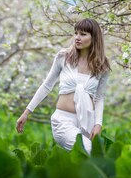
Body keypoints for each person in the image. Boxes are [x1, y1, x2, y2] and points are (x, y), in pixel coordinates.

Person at [16, 18, 111, 154]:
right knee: (88, 151)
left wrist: (98, 124)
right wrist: (26, 113)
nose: (77, 37)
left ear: (94, 38)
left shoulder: (102, 66)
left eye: (83, 34)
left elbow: (99, 98)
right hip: (63, 121)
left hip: (87, 122)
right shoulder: (63, 57)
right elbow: (46, 85)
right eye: (76, 33)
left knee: (84, 163)